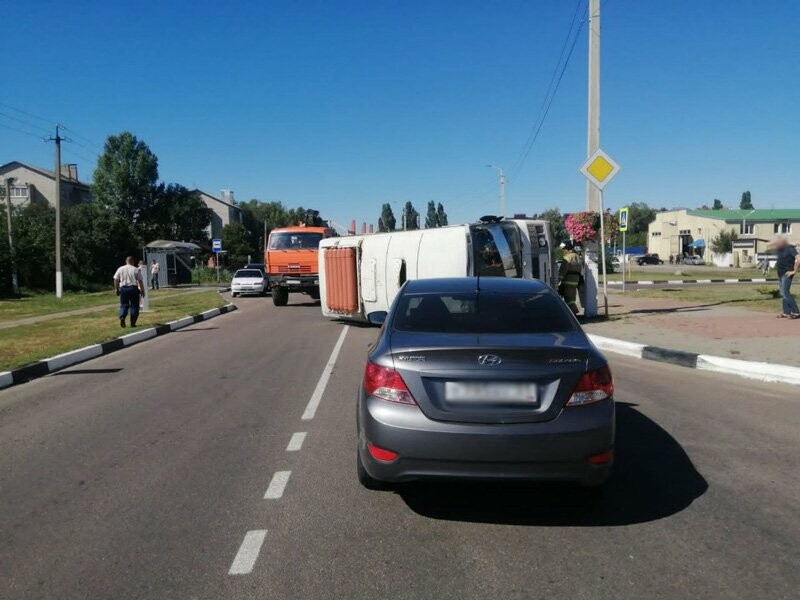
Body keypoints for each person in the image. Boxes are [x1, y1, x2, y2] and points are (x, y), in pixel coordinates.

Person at [768, 236, 799, 319]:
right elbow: (769, 244)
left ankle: (796, 312)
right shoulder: (780, 249)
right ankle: (786, 312)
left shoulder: (790, 249)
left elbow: (798, 259)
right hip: (780, 273)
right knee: (783, 293)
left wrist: (794, 271)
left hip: (787, 273)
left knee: (785, 292)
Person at [113, 256, 146, 328]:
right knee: (134, 306)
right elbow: (140, 281)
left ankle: (122, 316)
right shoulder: (136, 269)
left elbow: (116, 279)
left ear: (126, 261)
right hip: (133, 288)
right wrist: (142, 290)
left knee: (124, 305)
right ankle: (133, 323)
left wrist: (116, 289)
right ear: (133, 262)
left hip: (123, 289)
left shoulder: (120, 269)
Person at [558, 241, 582, 315]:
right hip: (576, 281)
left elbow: (563, 269)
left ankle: (573, 313)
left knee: (568, 298)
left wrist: (559, 279)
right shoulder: (577, 256)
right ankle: (572, 313)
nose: (563, 251)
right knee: (572, 298)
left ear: (567, 248)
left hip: (567, 280)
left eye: (564, 249)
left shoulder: (567, 257)